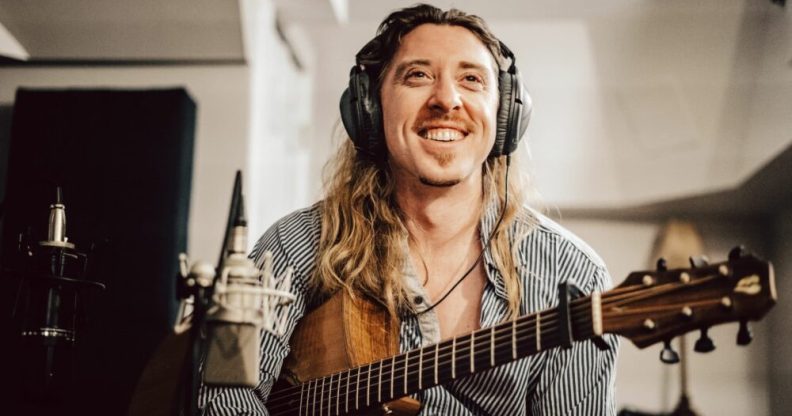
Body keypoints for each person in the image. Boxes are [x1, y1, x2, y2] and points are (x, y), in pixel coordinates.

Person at [200, 4, 618, 415]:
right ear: (370, 107)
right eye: (418, 75)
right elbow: (222, 394)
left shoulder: (573, 275)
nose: (447, 99)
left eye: (472, 80)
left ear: (505, 114)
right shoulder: (295, 245)